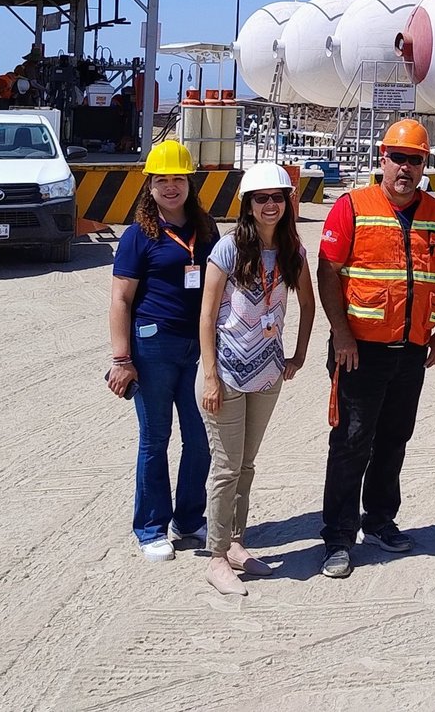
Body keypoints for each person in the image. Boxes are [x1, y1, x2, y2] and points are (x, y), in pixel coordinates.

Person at [315, 118, 435, 579]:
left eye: (415, 160)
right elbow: (327, 272)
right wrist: (342, 335)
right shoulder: (352, 206)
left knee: (394, 439)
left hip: (411, 349)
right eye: (398, 158)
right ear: (382, 158)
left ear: (423, 165)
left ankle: (378, 521)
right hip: (361, 351)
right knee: (351, 442)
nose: (406, 168)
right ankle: (338, 536)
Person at [197, 162, 316, 594]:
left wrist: (297, 355)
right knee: (226, 467)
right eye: (261, 199)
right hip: (225, 374)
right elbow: (207, 317)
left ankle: (236, 543)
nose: (270, 206)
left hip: (267, 374)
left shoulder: (293, 252)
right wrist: (210, 376)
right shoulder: (228, 250)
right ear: (247, 204)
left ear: (288, 202)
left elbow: (308, 303)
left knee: (246, 465)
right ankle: (215, 557)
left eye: (278, 198)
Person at [106, 141, 218, 561]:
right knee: (156, 438)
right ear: (148, 186)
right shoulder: (138, 235)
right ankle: (151, 526)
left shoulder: (206, 230)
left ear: (189, 182)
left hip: (199, 348)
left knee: (201, 438)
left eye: (178, 179)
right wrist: (122, 359)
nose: (170, 187)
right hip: (153, 347)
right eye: (161, 180)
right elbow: (120, 299)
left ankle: (188, 520)